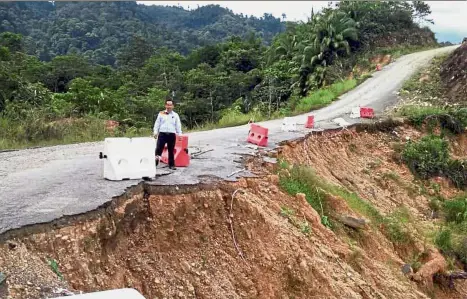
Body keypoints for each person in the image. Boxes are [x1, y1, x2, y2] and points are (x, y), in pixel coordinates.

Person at [153, 99, 182, 170]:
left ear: (173, 106)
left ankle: (171, 165)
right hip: (162, 134)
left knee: (171, 150)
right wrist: (155, 132)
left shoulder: (175, 115)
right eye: (167, 105)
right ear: (165, 105)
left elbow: (178, 125)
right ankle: (154, 164)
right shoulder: (161, 113)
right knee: (158, 149)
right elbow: (157, 123)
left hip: (171, 135)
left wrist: (180, 134)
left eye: (170, 105)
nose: (169, 106)